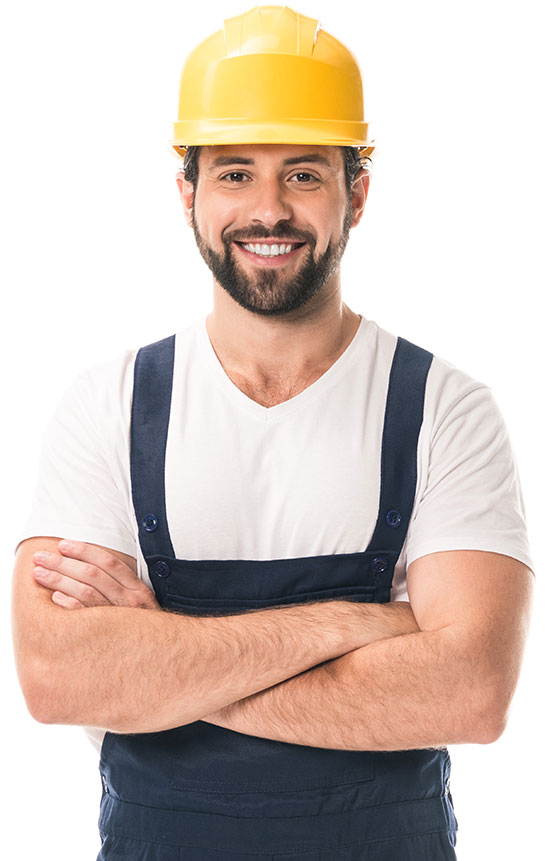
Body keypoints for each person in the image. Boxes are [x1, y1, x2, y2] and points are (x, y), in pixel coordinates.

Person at [12, 6, 535, 860]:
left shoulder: (447, 408)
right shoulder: (105, 404)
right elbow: (56, 677)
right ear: (186, 191)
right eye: (233, 174)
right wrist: (356, 626)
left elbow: (472, 692)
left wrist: (162, 662)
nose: (267, 210)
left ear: (355, 193)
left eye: (301, 175)